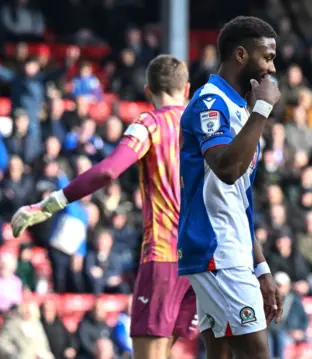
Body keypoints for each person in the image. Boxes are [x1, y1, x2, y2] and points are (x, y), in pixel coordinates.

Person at [10, 54, 204, 359]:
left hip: (164, 257)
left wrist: (50, 204)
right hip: (201, 263)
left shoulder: (150, 123)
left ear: (147, 89)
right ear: (188, 88)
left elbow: (108, 170)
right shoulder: (205, 130)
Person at [177, 16, 282, 359]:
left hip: (231, 249)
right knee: (256, 353)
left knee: (219, 355)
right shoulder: (210, 102)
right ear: (241, 55)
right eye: (267, 57)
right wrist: (263, 109)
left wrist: (262, 267)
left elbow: (238, 202)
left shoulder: (240, 111)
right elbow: (226, 169)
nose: (272, 67)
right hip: (215, 250)